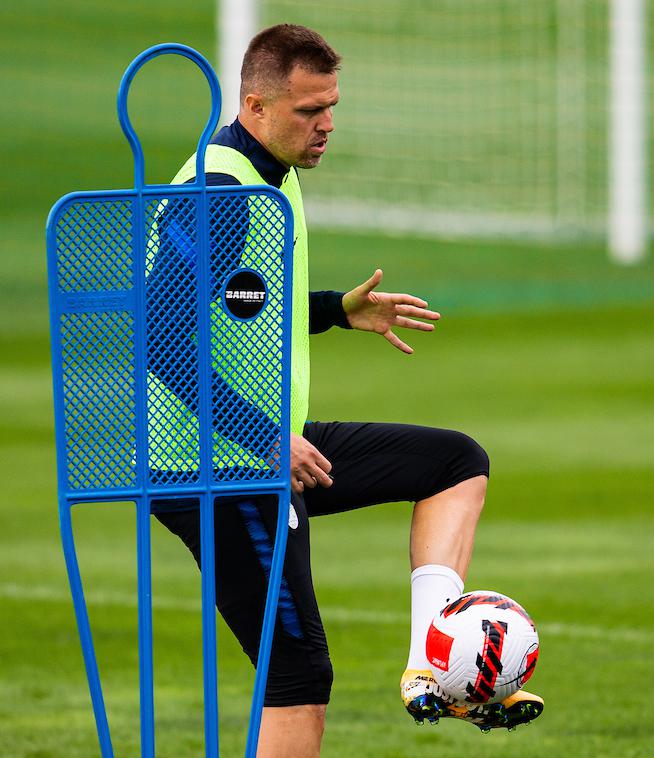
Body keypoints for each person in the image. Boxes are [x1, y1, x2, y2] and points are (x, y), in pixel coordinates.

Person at [147, 24, 542, 756]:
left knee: (455, 462)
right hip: (214, 471)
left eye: (331, 106)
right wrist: (265, 437)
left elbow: (243, 300)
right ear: (255, 105)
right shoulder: (221, 192)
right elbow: (161, 336)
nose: (326, 124)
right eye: (308, 110)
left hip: (262, 452)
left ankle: (434, 661)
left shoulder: (271, 171)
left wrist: (335, 309)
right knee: (296, 673)